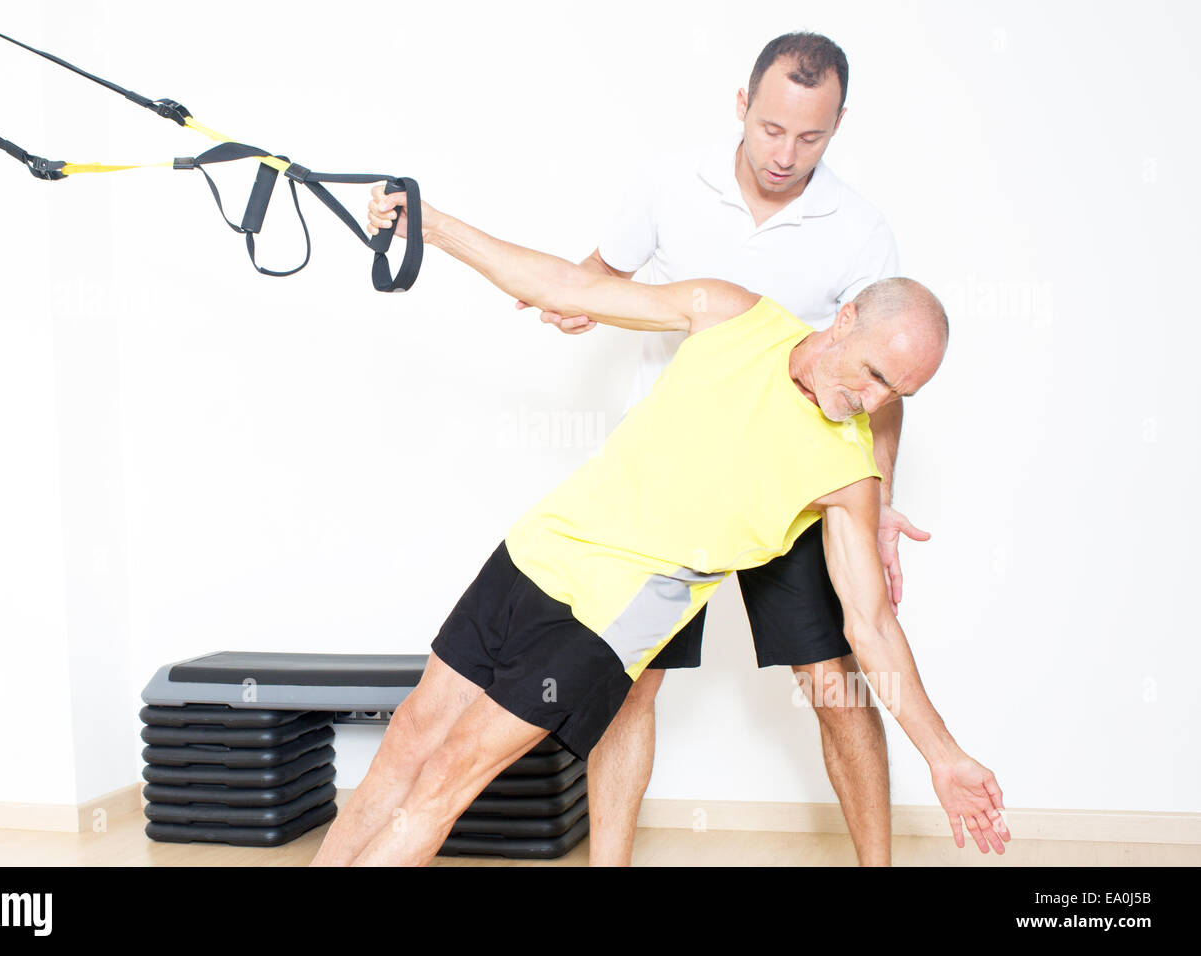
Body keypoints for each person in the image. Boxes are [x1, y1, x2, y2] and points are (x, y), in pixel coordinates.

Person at [307, 186, 1008, 867]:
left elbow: (872, 627)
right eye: (877, 373)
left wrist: (944, 757)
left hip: (604, 621)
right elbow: (569, 288)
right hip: (537, 551)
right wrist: (434, 225)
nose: (873, 400)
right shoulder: (735, 315)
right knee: (409, 739)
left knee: (444, 782)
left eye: (897, 394)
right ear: (846, 318)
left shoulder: (847, 475)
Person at [520, 32, 915, 866]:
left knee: (834, 683)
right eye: (771, 128)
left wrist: (878, 507)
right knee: (627, 686)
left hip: (793, 490)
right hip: (670, 486)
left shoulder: (859, 230)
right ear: (743, 104)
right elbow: (597, 276)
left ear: (839, 123)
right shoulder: (672, 185)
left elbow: (879, 387)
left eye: (810, 137)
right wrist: (566, 298)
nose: (785, 153)